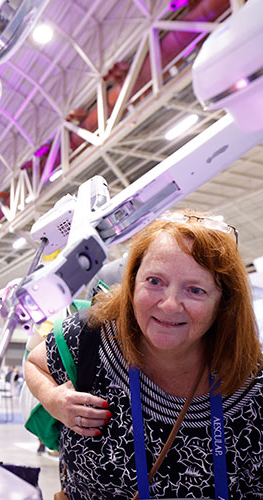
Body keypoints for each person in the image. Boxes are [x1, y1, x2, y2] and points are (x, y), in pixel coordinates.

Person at [25, 209, 263, 499]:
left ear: (223, 302)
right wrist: (53, 399)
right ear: (133, 281)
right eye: (154, 282)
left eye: (195, 290)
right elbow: (35, 365)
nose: (170, 305)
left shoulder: (252, 382)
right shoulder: (91, 336)